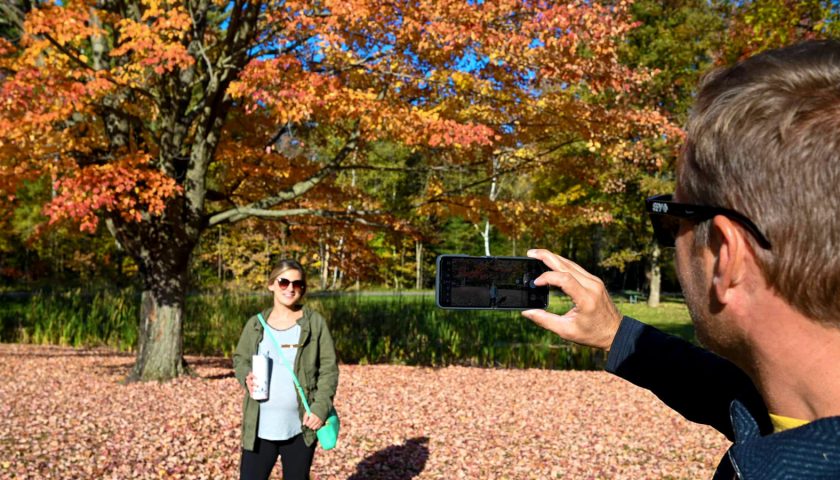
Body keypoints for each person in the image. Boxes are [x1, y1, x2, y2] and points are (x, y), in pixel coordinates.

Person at [522, 40, 840, 478]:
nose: (673, 243)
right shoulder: (796, 410)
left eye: (674, 220)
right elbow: (730, 394)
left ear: (726, 257)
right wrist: (616, 333)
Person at [233, 259, 339, 480]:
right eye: (284, 282)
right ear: (271, 284)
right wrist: (246, 377)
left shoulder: (314, 323)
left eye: (297, 284)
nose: (290, 288)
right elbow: (240, 359)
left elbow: (329, 369)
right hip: (259, 428)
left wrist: (320, 408)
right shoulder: (255, 324)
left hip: (301, 427)